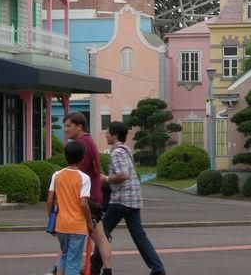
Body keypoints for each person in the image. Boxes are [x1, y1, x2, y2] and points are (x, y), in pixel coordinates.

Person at [90, 121, 166, 275]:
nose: (105, 135)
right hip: (133, 199)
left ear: (115, 135)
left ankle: (94, 268)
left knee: (101, 235)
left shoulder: (117, 152)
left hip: (120, 200)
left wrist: (105, 179)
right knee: (139, 237)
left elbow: (123, 175)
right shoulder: (126, 150)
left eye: (108, 132)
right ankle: (157, 269)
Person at [53, 112, 111, 275]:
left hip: (87, 199)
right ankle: (106, 269)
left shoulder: (81, 144)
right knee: (99, 237)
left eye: (69, 126)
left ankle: (64, 269)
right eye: (64, 126)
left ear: (79, 126)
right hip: (93, 196)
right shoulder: (89, 141)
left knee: (89, 238)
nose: (65, 130)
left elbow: (79, 175)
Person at [48, 141, 93, 275]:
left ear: (65, 156)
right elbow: (84, 203)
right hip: (77, 226)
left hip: (61, 224)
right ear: (82, 158)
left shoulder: (57, 175)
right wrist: (89, 221)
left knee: (65, 255)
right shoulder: (84, 178)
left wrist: (51, 219)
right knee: (73, 261)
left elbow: (50, 200)